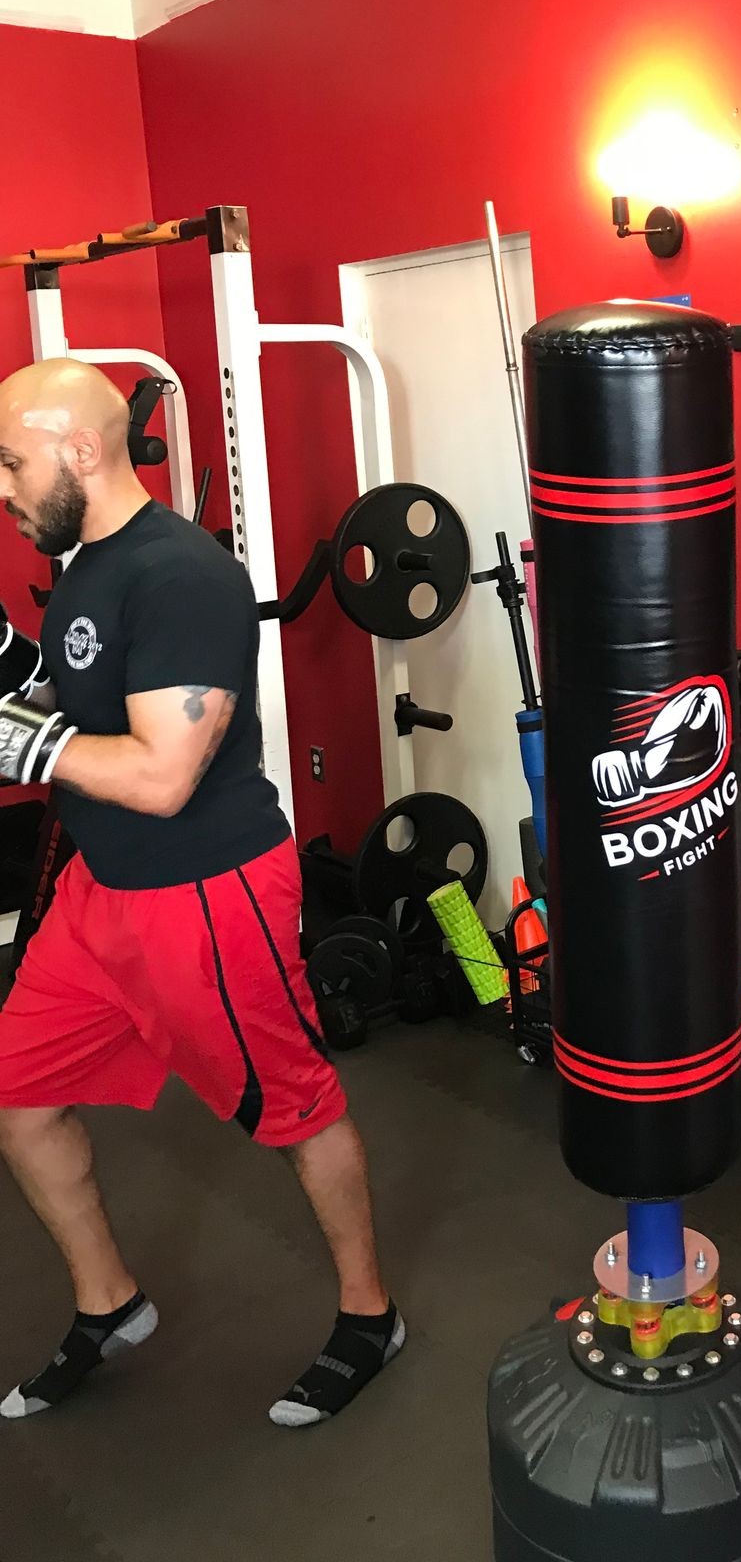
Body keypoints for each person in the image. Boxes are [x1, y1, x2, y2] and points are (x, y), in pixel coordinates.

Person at [0, 358, 402, 1427]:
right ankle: (109, 1303)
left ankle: (369, 1315)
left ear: (80, 450)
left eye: (10, 461)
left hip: (205, 890)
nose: (2, 486)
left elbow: (162, 775)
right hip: (100, 892)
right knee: (19, 1095)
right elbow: (84, 695)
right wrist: (12, 671)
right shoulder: (88, 562)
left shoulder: (183, 577)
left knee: (292, 1105)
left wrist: (24, 741)